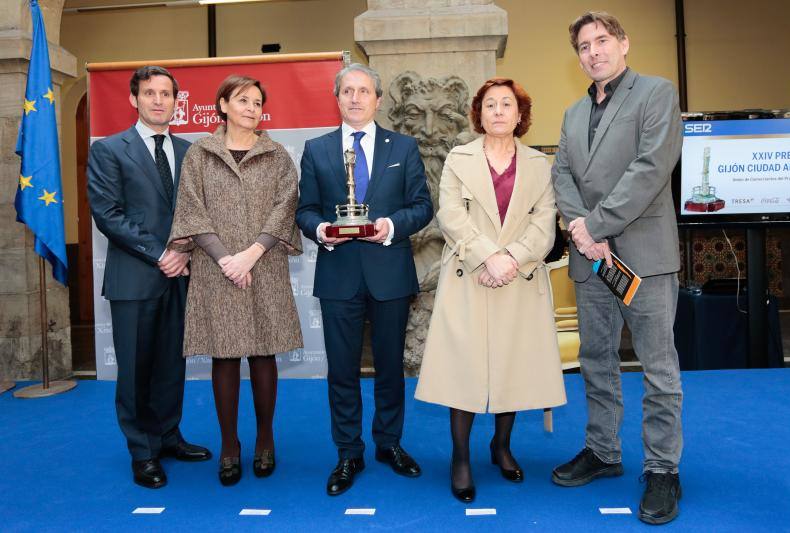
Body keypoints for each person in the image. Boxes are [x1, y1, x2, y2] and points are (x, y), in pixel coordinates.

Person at [550, 11, 684, 525]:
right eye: (583, 46)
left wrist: (596, 225)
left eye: (602, 41)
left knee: (659, 369)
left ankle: (662, 469)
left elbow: (651, 167)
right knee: (596, 361)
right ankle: (603, 452)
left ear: (623, 43)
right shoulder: (571, 113)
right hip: (591, 261)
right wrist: (580, 228)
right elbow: (561, 171)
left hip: (643, 257)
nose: (593, 52)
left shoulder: (656, 93)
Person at [415, 78, 567, 503]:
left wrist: (511, 260)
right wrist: (489, 257)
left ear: (521, 116)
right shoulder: (458, 159)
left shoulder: (539, 164)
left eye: (507, 105)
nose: (498, 111)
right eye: (490, 105)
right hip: (470, 275)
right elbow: (450, 216)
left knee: (511, 365)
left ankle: (501, 447)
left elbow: (544, 222)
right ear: (478, 115)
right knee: (461, 368)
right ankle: (460, 457)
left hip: (519, 278)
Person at [295, 63, 433, 496]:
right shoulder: (316, 149)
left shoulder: (405, 147)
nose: (355, 98)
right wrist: (321, 231)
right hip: (338, 275)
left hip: (390, 273)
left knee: (392, 367)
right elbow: (305, 210)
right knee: (342, 371)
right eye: (347, 91)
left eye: (364, 91)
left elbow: (422, 206)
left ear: (378, 99)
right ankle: (348, 452)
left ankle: (389, 445)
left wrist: (390, 227)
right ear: (337, 99)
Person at [168, 75, 303, 486]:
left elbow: (285, 207)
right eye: (242, 99)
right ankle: (230, 445)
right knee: (223, 357)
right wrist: (226, 258)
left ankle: (265, 439)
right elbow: (191, 209)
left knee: (264, 355)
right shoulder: (200, 154)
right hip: (216, 269)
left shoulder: (277, 154)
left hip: (263, 266)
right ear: (222, 105)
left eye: (257, 101)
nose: (251, 107)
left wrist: (251, 254)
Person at [87, 66, 211, 489]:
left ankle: (169, 436)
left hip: (182, 276)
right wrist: (162, 253)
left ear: (177, 102)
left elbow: (199, 212)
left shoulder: (190, 150)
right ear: (133, 99)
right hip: (134, 279)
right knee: (136, 369)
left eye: (167, 94)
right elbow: (108, 214)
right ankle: (142, 451)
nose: (159, 101)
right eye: (150, 93)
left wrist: (184, 250)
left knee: (171, 365)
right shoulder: (109, 150)